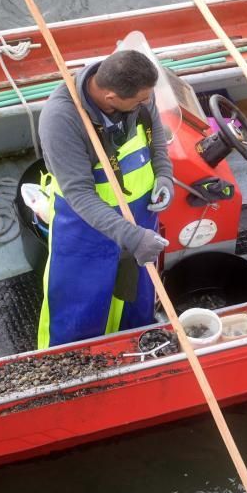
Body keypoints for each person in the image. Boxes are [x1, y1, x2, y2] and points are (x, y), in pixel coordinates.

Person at [36, 49, 174, 349]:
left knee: (136, 296)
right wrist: (133, 237)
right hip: (85, 227)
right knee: (80, 306)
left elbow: (157, 139)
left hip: (141, 215)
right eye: (139, 102)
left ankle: (135, 346)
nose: (146, 103)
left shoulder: (140, 91)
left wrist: (164, 174)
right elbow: (80, 195)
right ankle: (71, 366)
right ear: (111, 98)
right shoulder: (61, 119)